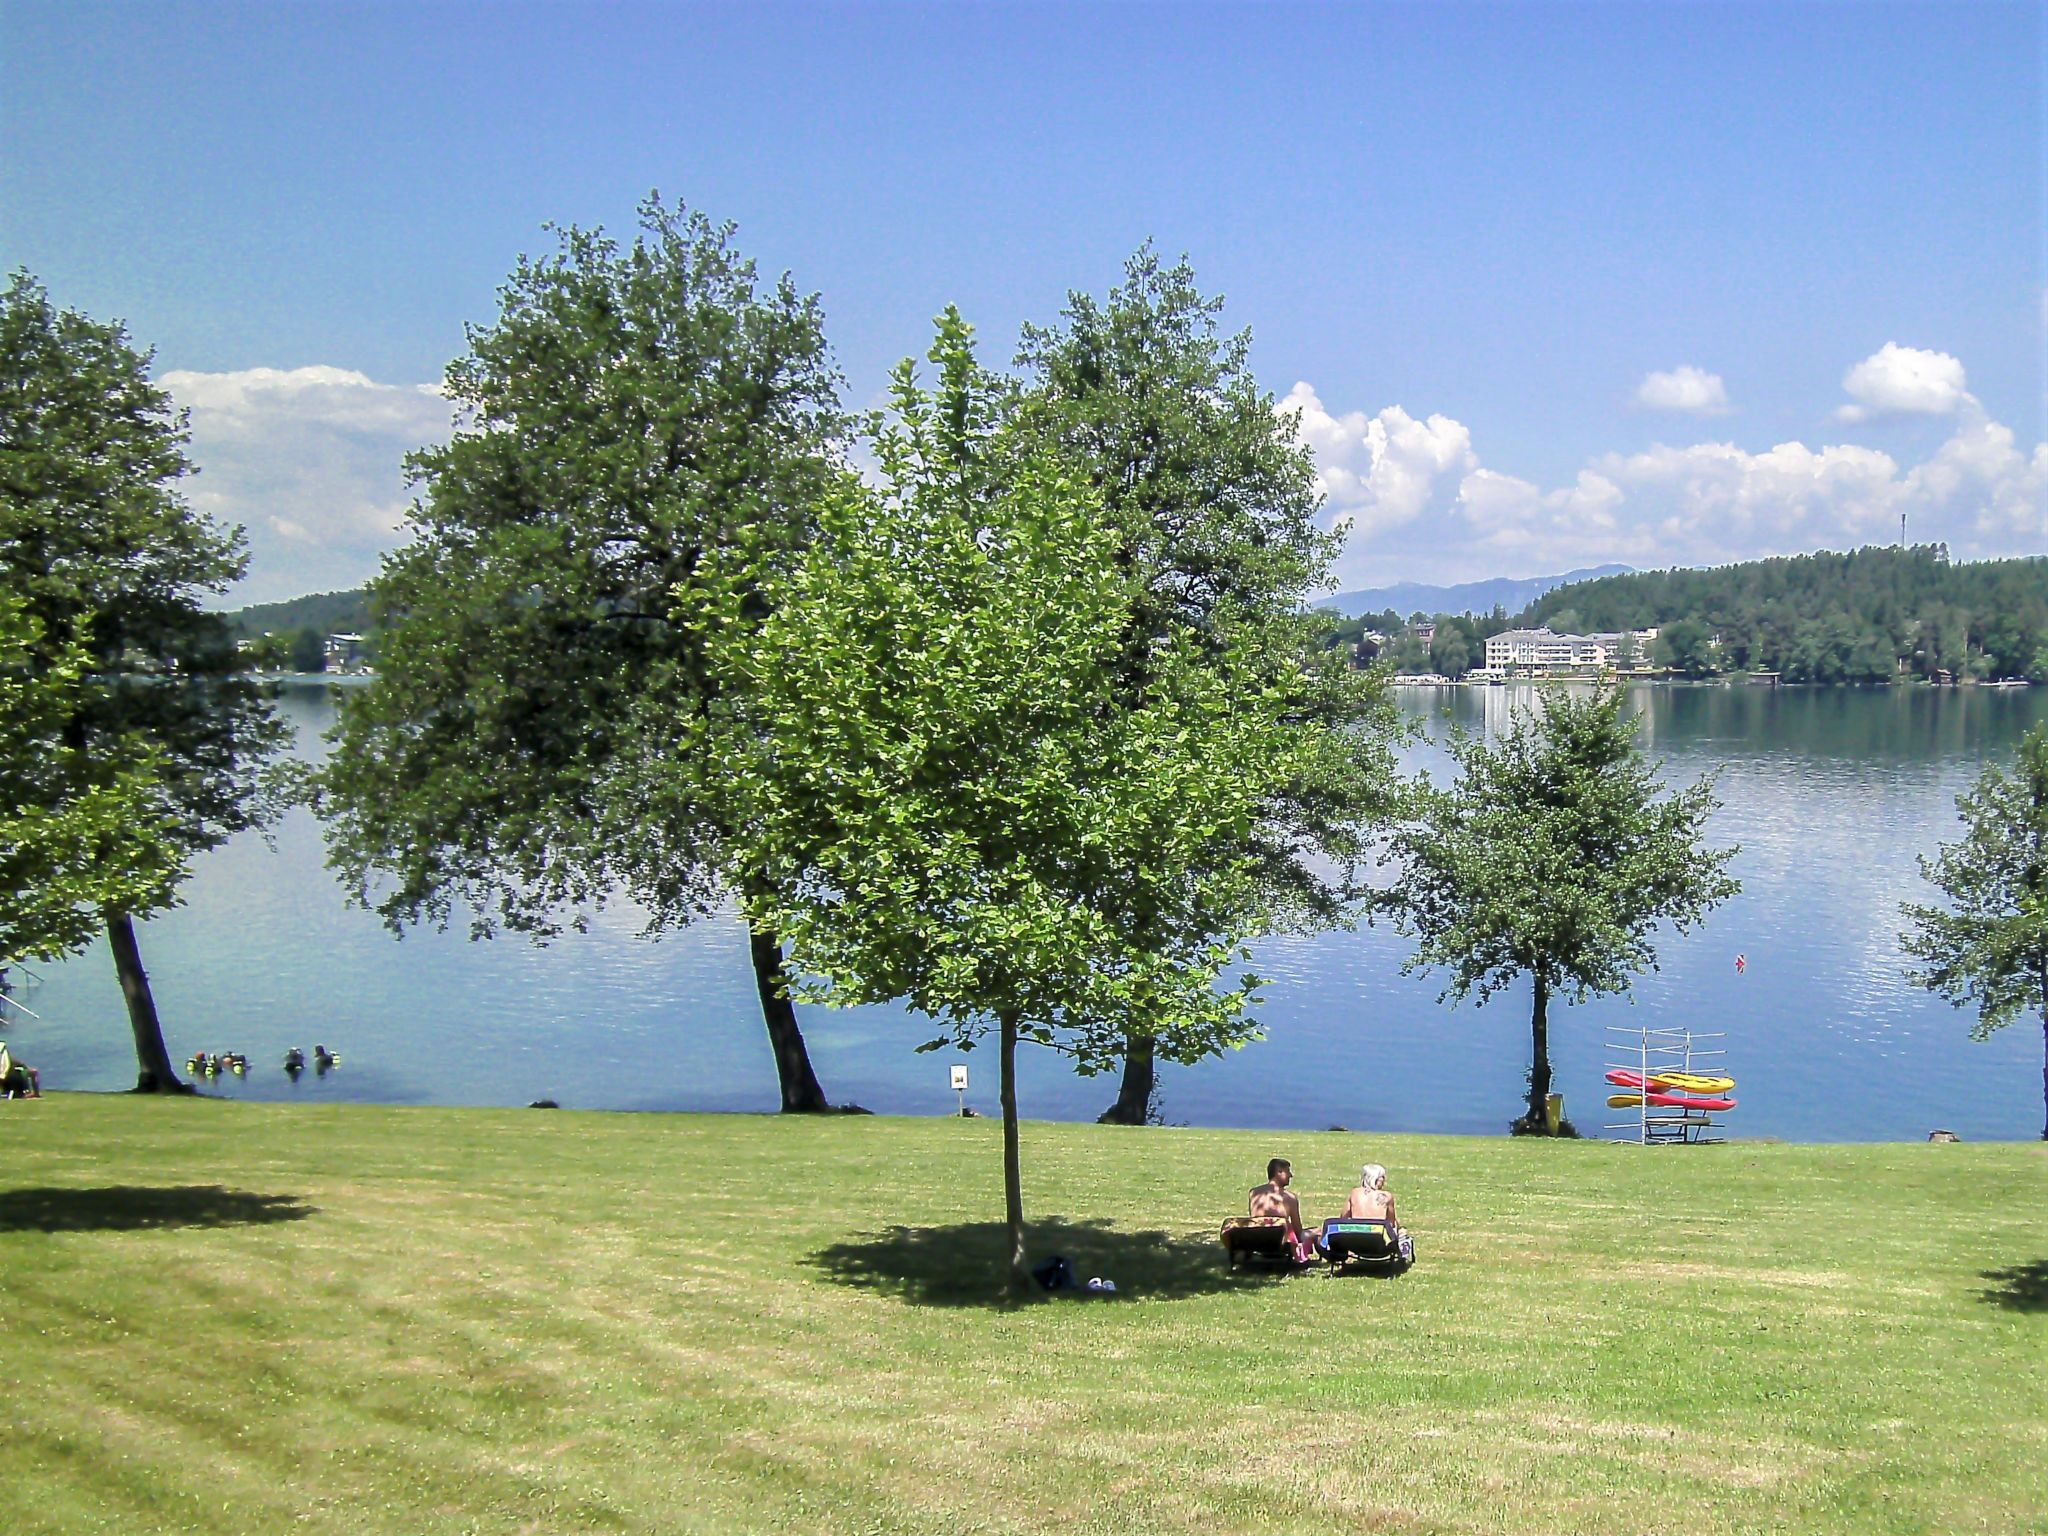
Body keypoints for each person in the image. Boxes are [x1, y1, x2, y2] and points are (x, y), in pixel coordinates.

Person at [1326, 1163, 1412, 1262]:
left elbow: (1343, 1218)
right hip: (1380, 1246)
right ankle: (1402, 1255)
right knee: (1402, 1231)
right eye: (1382, 1177)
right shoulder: (1387, 1196)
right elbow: (1391, 1224)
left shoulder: (1354, 1193)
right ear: (1375, 1178)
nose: (1384, 1180)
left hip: (1355, 1244)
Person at [1249, 1157, 1317, 1263]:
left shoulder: (1254, 1193)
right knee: (1317, 1232)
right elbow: (1298, 1232)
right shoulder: (1289, 1197)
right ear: (1279, 1172)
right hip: (1280, 1243)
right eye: (1288, 1171)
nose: (1291, 1175)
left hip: (1257, 1241)